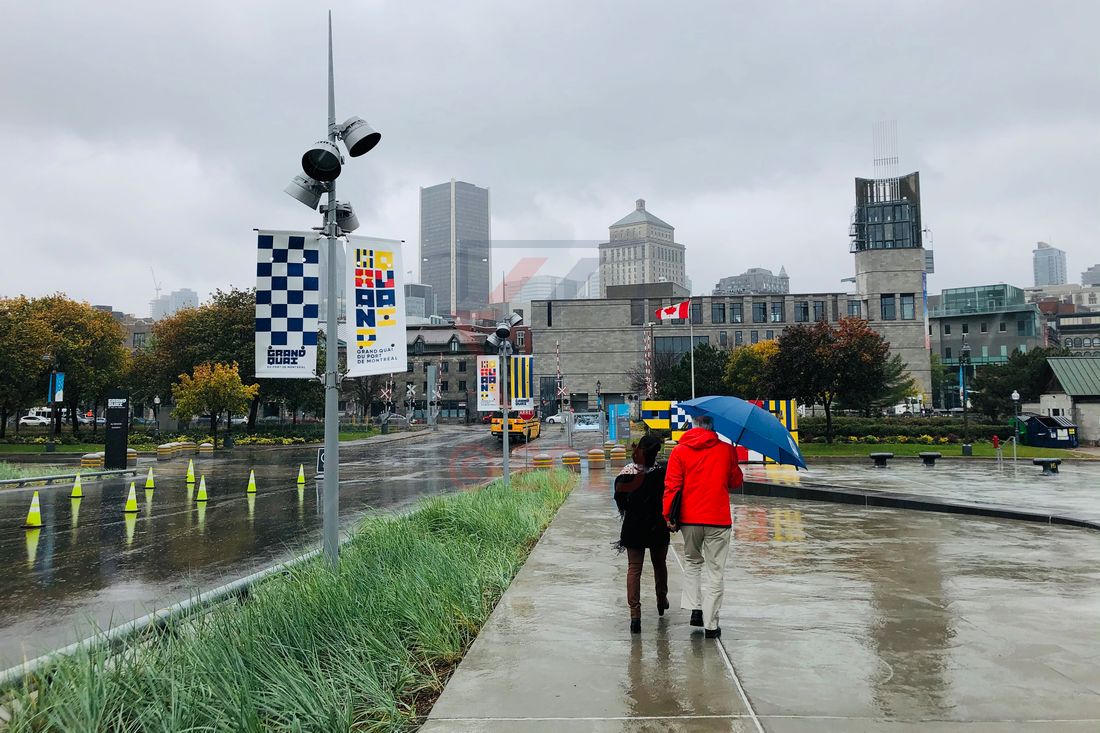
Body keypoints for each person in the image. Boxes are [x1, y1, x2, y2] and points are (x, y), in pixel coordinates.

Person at [663, 414, 743, 639]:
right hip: (718, 519)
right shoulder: (726, 450)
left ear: (694, 426)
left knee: (692, 562)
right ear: (712, 427)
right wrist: (732, 461)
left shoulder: (679, 451)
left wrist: (668, 515)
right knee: (715, 570)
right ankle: (711, 624)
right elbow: (735, 482)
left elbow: (672, 486)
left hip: (689, 519)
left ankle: (695, 607)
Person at [614, 432, 670, 634]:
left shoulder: (627, 473)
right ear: (656, 453)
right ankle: (661, 599)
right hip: (657, 527)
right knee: (659, 564)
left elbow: (619, 500)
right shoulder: (662, 474)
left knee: (634, 568)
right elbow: (670, 497)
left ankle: (635, 615)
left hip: (634, 527)